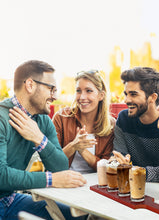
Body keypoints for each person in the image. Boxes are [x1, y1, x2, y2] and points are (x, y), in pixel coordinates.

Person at [0, 60, 87, 220]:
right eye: (51, 89)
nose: (55, 96)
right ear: (30, 85)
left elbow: (60, 166)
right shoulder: (2, 118)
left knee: (79, 216)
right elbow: (1, 175)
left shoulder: (43, 120)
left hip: (11, 200)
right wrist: (51, 180)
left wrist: (39, 139)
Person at [52, 70, 115, 174]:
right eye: (78, 91)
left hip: (96, 184)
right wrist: (73, 146)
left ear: (101, 95)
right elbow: (52, 162)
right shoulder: (61, 117)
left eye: (89, 91)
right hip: (64, 181)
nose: (82, 97)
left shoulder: (111, 125)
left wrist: (83, 151)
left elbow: (108, 169)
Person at [113, 67, 159, 182]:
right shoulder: (124, 119)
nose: (126, 100)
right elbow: (119, 156)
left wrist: (138, 172)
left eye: (133, 94)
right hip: (132, 185)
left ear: (152, 97)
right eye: (126, 94)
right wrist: (118, 162)